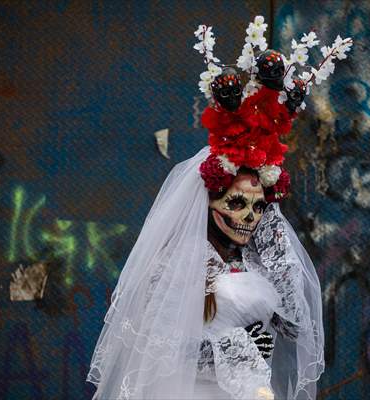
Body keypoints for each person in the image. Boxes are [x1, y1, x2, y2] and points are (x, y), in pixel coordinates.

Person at [86, 16, 352, 399]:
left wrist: (272, 226)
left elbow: (296, 324)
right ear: (210, 201)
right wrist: (237, 346)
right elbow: (160, 347)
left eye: (259, 206)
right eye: (238, 203)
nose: (249, 216)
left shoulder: (256, 258)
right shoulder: (175, 265)